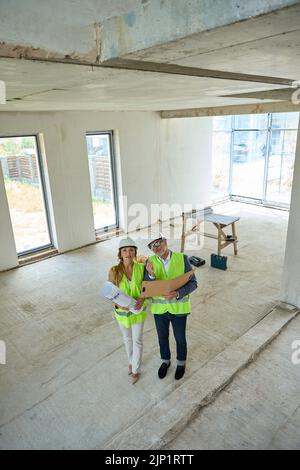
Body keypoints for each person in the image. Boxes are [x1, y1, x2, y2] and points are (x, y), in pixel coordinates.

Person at [145, 233, 198, 380]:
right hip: (159, 310)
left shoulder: (182, 258)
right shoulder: (149, 262)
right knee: (162, 338)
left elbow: (193, 283)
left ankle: (181, 363)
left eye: (158, 243)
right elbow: (146, 287)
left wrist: (177, 293)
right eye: (152, 246)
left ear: (165, 241)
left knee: (180, 338)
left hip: (178, 309)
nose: (156, 247)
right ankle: (165, 361)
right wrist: (150, 276)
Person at [108, 237, 146, 384]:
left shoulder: (141, 268)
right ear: (120, 253)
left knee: (137, 340)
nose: (128, 253)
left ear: (135, 252)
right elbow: (109, 292)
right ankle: (131, 361)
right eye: (124, 250)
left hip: (138, 311)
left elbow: (146, 288)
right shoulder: (114, 271)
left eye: (131, 250)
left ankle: (135, 369)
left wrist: (142, 299)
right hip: (122, 313)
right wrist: (118, 304)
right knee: (127, 339)